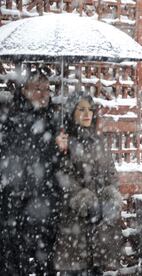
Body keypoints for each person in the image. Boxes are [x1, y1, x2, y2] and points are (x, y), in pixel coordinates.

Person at [0, 70, 63, 274]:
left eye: (47, 89)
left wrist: (62, 147)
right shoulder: (12, 116)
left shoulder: (54, 117)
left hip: (46, 200)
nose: (44, 94)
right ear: (25, 90)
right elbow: (18, 155)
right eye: (37, 89)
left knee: (45, 258)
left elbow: (55, 163)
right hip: (18, 201)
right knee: (16, 259)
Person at [54, 91, 123, 275]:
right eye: (81, 109)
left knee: (97, 268)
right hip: (76, 222)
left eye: (90, 110)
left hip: (101, 224)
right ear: (71, 112)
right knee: (78, 268)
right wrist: (85, 200)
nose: (87, 114)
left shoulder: (100, 141)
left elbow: (111, 174)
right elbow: (64, 178)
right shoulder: (65, 142)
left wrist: (110, 197)